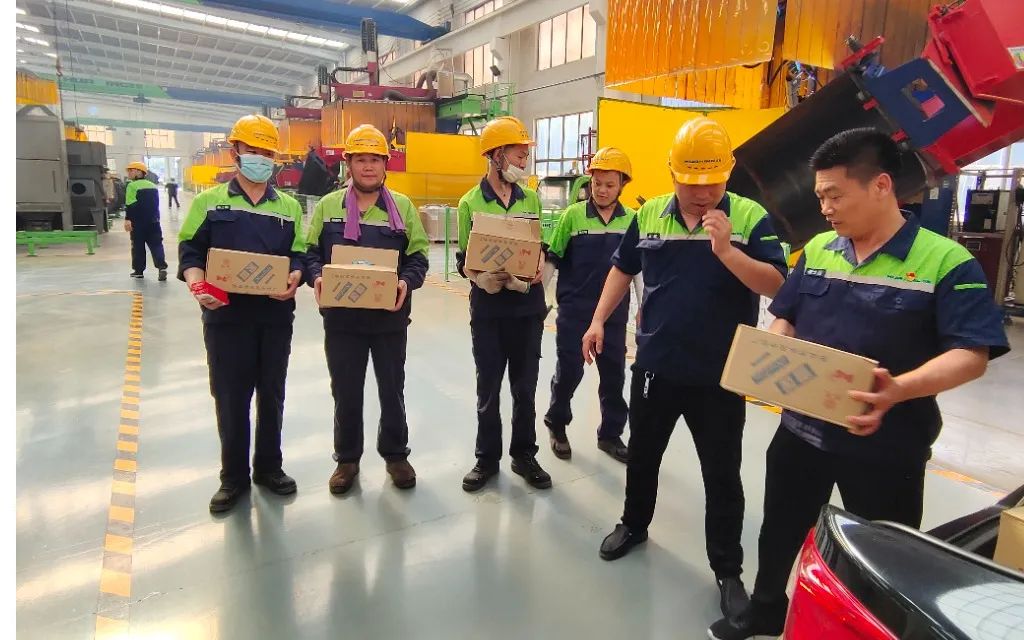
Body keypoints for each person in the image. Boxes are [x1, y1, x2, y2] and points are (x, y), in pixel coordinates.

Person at [708, 128, 1010, 639]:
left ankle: (874, 628)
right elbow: (787, 314)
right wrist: (775, 352)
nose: (824, 208)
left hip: (887, 442)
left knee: (884, 551)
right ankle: (766, 608)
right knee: (780, 526)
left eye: (835, 195)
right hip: (802, 431)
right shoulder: (820, 248)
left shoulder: (944, 261)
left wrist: (898, 389)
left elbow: (972, 354)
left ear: (881, 186)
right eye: (820, 196)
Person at [585, 117, 787, 619]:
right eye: (691, 183)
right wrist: (598, 320)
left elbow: (777, 285)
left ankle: (727, 568)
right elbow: (623, 268)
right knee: (644, 456)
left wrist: (727, 251)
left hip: (722, 374)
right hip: (656, 365)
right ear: (672, 173)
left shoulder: (750, 217)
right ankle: (634, 524)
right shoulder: (650, 213)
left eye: (713, 183)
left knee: (722, 474)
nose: (702, 194)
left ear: (728, 173)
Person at [177, 114, 307, 514]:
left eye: (267, 153)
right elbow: (190, 251)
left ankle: (269, 467)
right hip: (226, 316)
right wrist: (197, 285)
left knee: (272, 393)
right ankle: (232, 477)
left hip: (274, 316)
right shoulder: (209, 202)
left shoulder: (288, 207)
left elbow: (299, 254)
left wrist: (296, 276)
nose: (260, 159)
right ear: (235, 152)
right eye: (252, 150)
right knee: (231, 396)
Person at [305, 125, 430, 495]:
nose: (369, 166)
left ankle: (395, 454)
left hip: (389, 319)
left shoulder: (402, 208)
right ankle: (347, 459)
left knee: (392, 389)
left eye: (375, 159)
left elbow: (418, 256)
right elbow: (311, 253)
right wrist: (317, 278)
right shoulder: (329, 207)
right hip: (342, 321)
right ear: (349, 164)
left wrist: (406, 282)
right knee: (346, 391)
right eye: (361, 159)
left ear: (385, 164)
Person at [456, 115, 551, 492]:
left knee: (525, 387)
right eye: (518, 154)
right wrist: (478, 279)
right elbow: (465, 258)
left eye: (526, 155)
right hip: (489, 309)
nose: (524, 161)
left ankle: (524, 454)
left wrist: (538, 267)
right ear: (496, 155)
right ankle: (486, 458)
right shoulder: (469, 202)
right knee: (489, 386)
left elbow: (539, 247)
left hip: (527, 308)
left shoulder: (532, 199)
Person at [542, 147, 641, 463]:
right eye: (597, 183)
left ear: (622, 185)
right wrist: (539, 300)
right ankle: (557, 423)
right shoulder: (572, 216)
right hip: (574, 312)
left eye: (609, 184)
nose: (601, 190)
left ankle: (610, 434)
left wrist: (644, 306)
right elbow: (553, 258)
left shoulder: (632, 220)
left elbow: (636, 269)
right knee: (569, 373)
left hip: (614, 315)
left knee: (614, 377)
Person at [124, 161, 169, 281]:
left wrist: (128, 219)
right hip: (154, 221)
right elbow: (155, 205)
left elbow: (130, 205)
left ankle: (138, 271)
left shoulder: (132, 186)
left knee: (138, 246)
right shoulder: (153, 186)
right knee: (156, 245)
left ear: (139, 172)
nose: (129, 173)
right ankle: (162, 268)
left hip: (138, 223)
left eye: (131, 170)